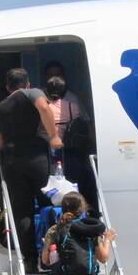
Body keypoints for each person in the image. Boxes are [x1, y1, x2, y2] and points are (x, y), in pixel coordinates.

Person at [0, 68, 62, 273]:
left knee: (22, 211)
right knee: (48, 203)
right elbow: (44, 108)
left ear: (7, 87)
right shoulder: (33, 93)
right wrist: (54, 136)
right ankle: (53, 254)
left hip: (12, 162)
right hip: (36, 158)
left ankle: (30, 260)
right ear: (28, 83)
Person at [42, 62, 97, 212]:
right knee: (72, 184)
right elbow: (84, 122)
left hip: (50, 151)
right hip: (70, 150)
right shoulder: (72, 102)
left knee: (52, 187)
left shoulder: (41, 101)